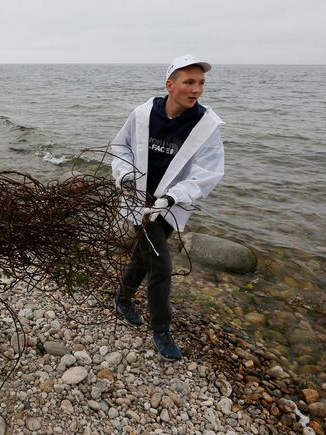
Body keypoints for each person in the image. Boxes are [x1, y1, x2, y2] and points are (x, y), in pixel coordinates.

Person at [110, 54, 225, 361]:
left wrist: (173, 197)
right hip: (138, 201)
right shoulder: (144, 113)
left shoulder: (206, 125)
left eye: (201, 83)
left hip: (171, 204)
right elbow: (120, 147)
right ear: (170, 84)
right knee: (161, 263)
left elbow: (209, 172)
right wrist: (125, 176)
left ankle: (122, 298)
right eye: (189, 82)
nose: (197, 89)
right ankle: (161, 328)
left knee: (145, 253)